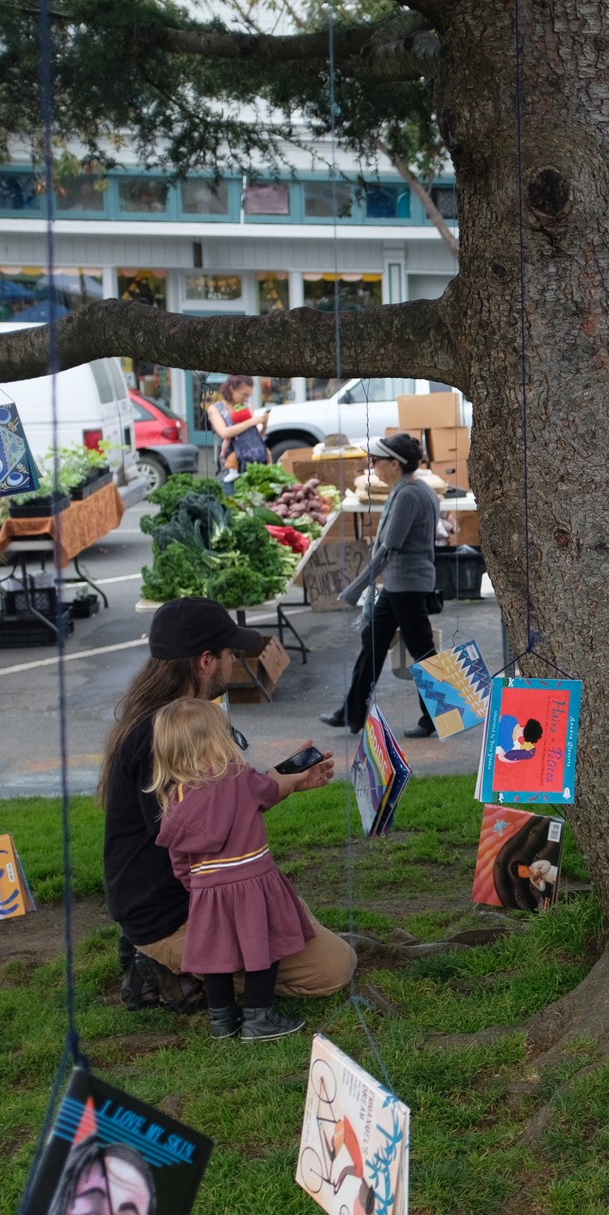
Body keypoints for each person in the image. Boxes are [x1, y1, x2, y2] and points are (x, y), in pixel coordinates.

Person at [102, 598, 352, 1011]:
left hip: (201, 893)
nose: (233, 662)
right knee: (333, 968)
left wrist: (284, 780)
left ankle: (177, 961)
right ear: (205, 661)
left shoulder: (174, 722)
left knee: (292, 914)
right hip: (178, 911)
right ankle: (165, 966)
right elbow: (206, 828)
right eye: (230, 654)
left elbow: (214, 806)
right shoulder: (159, 737)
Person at [148, 697, 313, 1042]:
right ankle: (258, 1018)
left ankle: (221, 1021)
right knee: (264, 950)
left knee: (215, 958)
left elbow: (178, 859)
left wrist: (196, 887)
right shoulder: (239, 777)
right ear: (217, 739)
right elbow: (269, 792)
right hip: (253, 881)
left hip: (207, 890)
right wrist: (295, 772)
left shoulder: (175, 798)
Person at [321, 433, 440, 738]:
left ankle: (436, 717)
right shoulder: (414, 489)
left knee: (422, 651)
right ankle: (352, 711)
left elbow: (388, 549)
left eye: (376, 461)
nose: (372, 466)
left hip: (407, 586)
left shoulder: (410, 494)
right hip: (401, 585)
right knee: (372, 642)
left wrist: (355, 588)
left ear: (395, 465)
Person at [207, 375, 269, 483]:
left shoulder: (247, 406)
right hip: (230, 466)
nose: (246, 399)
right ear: (232, 389)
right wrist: (251, 421)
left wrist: (264, 425)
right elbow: (224, 433)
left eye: (248, 396)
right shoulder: (215, 409)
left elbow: (255, 436)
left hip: (251, 463)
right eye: (244, 395)